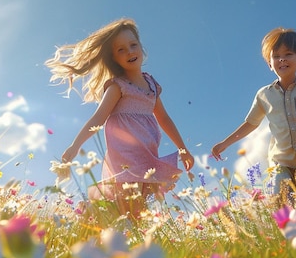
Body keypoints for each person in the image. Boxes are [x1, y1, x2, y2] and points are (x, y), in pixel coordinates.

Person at [46, 18, 194, 216]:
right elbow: (98, 118)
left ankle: (114, 231)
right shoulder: (118, 86)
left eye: (133, 45)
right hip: (124, 153)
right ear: (114, 58)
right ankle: (92, 220)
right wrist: (75, 146)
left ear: (141, 47)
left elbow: (164, 119)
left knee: (137, 207)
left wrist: (183, 149)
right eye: (121, 50)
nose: (130, 52)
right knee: (125, 198)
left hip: (148, 150)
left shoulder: (152, 85)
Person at [211, 27, 296, 202]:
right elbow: (251, 123)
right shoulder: (264, 95)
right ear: (269, 63)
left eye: (288, 54)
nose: (282, 59)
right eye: (276, 56)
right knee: (281, 201)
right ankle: (285, 228)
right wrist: (225, 143)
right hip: (281, 161)